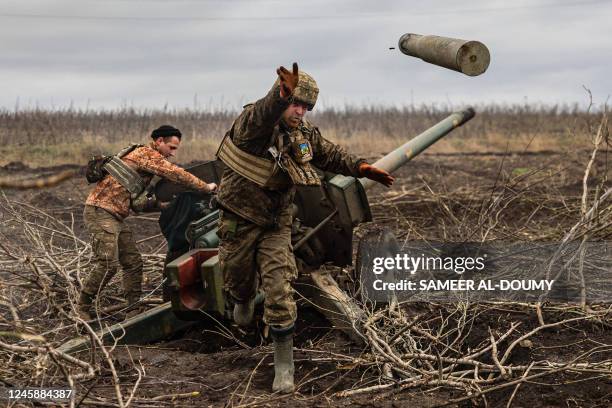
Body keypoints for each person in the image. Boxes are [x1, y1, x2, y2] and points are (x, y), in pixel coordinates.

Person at [215, 63, 394, 393]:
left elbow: (330, 154)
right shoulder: (254, 125)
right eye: (296, 104)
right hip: (239, 219)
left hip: (276, 223)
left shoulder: (304, 134)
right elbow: (264, 114)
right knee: (237, 281)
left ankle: (285, 367)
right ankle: (240, 299)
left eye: (306, 107)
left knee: (279, 290)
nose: (300, 112)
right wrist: (280, 94)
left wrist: (363, 168)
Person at [78, 125, 217, 321]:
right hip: (100, 212)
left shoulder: (142, 161)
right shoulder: (145, 154)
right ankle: (82, 307)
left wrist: (164, 205)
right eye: (171, 147)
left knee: (133, 263)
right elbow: (175, 174)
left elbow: (139, 203)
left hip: (115, 216)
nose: (172, 153)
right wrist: (205, 187)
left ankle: (132, 310)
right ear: (159, 141)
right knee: (108, 263)